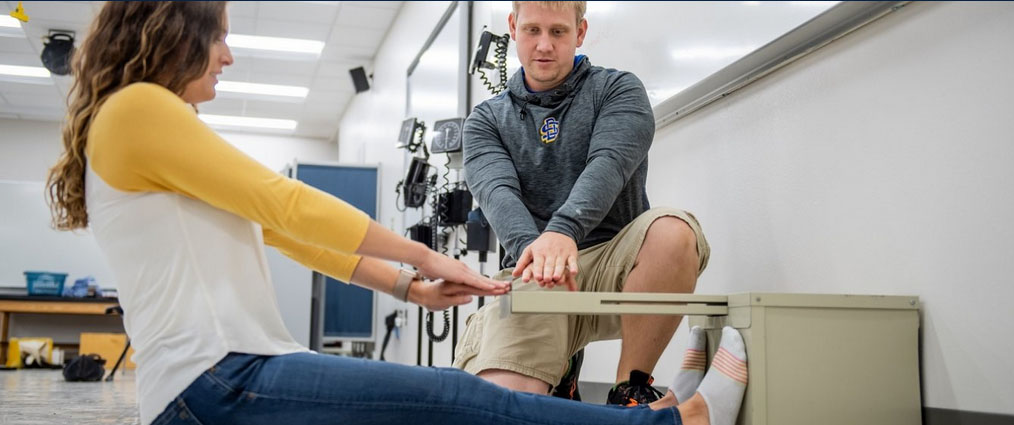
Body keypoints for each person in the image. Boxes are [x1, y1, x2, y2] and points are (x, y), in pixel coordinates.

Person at [45, 2, 745, 425]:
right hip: (216, 378)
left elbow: (280, 230)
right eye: (219, 33)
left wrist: (406, 287)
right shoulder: (141, 109)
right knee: (459, 401)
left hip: (222, 377)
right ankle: (679, 421)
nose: (227, 53)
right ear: (174, 29)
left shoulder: (139, 120)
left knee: (453, 404)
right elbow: (282, 200)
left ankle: (646, 399)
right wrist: (425, 256)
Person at [457, 0, 711, 406]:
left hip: (616, 264)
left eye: (558, 32)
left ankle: (631, 387)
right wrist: (538, 251)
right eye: (532, 31)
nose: (544, 45)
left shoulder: (617, 89)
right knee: (502, 408)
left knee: (673, 231)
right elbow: (497, 193)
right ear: (512, 27)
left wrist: (563, 231)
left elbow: (609, 163)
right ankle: (560, 374)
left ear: (580, 32)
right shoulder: (486, 120)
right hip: (533, 270)